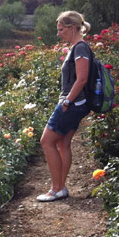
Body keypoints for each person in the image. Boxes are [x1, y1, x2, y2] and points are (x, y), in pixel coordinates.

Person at [37, 11, 93, 202]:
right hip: (76, 103)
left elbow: (82, 78)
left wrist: (67, 101)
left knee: (47, 141)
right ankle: (60, 187)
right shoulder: (77, 47)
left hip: (72, 103)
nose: (58, 33)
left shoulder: (80, 48)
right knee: (62, 144)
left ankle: (55, 189)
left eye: (61, 30)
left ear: (72, 28)